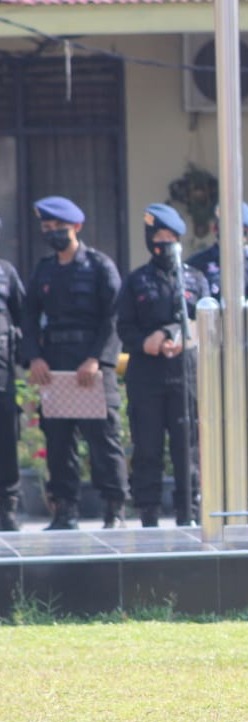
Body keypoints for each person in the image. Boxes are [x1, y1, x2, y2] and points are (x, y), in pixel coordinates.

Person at [22, 196, 129, 530]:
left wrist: (97, 359)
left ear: (77, 227)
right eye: (47, 228)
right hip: (56, 368)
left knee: (103, 440)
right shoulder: (43, 270)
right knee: (58, 441)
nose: (53, 233)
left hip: (92, 367)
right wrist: (34, 357)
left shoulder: (99, 266)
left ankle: (114, 510)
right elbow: (27, 317)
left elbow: (115, 317)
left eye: (59, 228)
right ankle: (64, 510)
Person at [116, 203, 207, 528]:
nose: (165, 243)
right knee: (148, 449)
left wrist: (171, 333)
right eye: (159, 237)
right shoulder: (136, 281)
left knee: (187, 449)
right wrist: (145, 342)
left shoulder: (195, 279)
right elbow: (123, 328)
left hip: (185, 376)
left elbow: (206, 320)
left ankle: (189, 513)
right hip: (147, 378)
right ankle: (149, 515)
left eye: (171, 237)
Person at [186, 201, 248, 340]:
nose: (232, 237)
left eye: (239, 231)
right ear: (215, 229)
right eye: (227, 230)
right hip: (212, 350)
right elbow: (189, 313)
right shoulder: (197, 265)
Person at [0, 216, 25, 531]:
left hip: (3, 377)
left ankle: (8, 509)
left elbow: (23, 318)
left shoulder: (6, 272)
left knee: (5, 442)